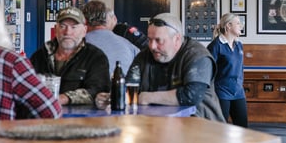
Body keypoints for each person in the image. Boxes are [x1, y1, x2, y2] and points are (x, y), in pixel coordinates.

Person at [96, 13, 224, 122]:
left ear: (177, 39)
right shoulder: (144, 56)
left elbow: (190, 96)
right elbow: (130, 87)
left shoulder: (198, 56)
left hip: (202, 128)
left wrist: (147, 97)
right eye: (150, 39)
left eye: (159, 40)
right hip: (159, 127)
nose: (152, 46)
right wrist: (112, 98)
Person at [30, 6, 110, 106]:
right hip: (43, 116)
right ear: (55, 29)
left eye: (74, 27)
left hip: (81, 119)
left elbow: (98, 91)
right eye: (63, 26)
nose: (67, 32)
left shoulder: (96, 57)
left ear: (84, 31)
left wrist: (64, 98)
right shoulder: (40, 55)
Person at [207, 13, 251, 143]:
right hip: (221, 91)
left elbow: (240, 69)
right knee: (221, 129)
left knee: (242, 127)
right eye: (238, 23)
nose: (241, 26)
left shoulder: (239, 45)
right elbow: (209, 70)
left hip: (238, 92)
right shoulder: (215, 46)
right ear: (228, 27)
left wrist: (240, 84)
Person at [81, 0, 140, 76]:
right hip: (122, 86)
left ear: (84, 21)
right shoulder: (129, 46)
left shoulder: (77, 44)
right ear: (106, 19)